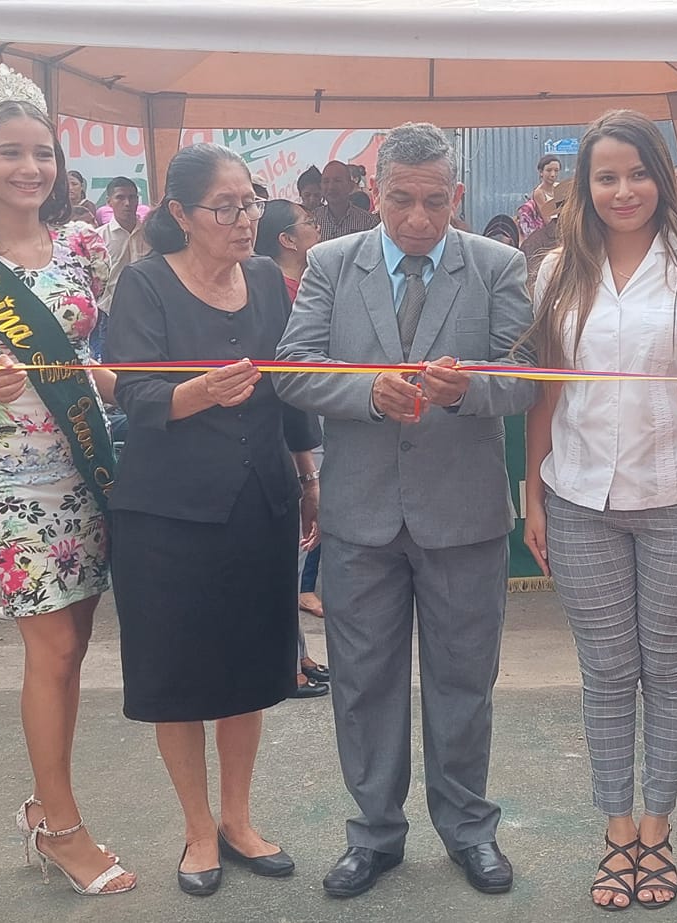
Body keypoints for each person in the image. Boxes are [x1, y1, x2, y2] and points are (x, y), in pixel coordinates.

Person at [275, 122, 538, 899]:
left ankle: (469, 829)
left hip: (464, 516)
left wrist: (470, 389)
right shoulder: (331, 264)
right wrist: (365, 390)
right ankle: (374, 834)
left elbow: (527, 373)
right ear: (375, 193)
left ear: (457, 195)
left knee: (464, 682)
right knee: (362, 684)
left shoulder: (496, 265)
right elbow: (293, 367)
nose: (418, 218)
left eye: (433, 201)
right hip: (361, 518)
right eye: (400, 200)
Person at [517, 110, 677, 911]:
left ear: (665, 179)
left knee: (670, 671)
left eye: (638, 173)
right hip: (581, 499)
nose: (624, 190)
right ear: (584, 187)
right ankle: (617, 830)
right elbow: (546, 392)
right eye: (607, 176)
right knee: (608, 673)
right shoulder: (557, 271)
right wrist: (533, 492)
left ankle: (658, 828)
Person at [0, 92, 134, 896]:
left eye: (42, 152)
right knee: (52, 652)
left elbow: (96, 342)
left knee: (74, 646)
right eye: (10, 151)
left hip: (88, 458)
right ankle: (63, 830)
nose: (30, 167)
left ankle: (46, 803)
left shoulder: (83, 243)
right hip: (14, 478)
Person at [102, 144, 322, 897]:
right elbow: (132, 393)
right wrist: (200, 392)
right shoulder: (145, 283)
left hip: (261, 501)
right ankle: (197, 828)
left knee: (249, 667)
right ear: (181, 214)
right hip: (169, 513)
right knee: (179, 673)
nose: (244, 219)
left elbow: (290, 389)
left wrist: (307, 474)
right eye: (225, 207)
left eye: (250, 202)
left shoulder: (264, 279)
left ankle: (238, 818)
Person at [254, 199, 334, 698]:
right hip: (286, 431)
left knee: (299, 546)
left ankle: (298, 651)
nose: (317, 228)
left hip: (307, 429)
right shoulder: (274, 290)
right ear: (285, 239)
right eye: (308, 223)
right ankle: (286, 659)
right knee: (288, 549)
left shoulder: (308, 284)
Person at [100, 176, 149, 305]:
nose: (127, 203)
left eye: (132, 197)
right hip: (110, 308)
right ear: (109, 202)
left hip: (148, 306)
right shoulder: (98, 238)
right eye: (120, 197)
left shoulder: (150, 234)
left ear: (137, 200)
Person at [313, 160, 379, 239]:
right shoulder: (313, 220)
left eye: (337, 181)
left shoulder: (368, 223)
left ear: (350, 186)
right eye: (326, 181)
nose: (331, 187)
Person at [514, 153, 564, 241]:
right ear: (541, 172)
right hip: (550, 236)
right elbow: (548, 220)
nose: (553, 174)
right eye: (549, 170)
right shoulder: (539, 193)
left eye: (556, 170)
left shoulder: (559, 187)